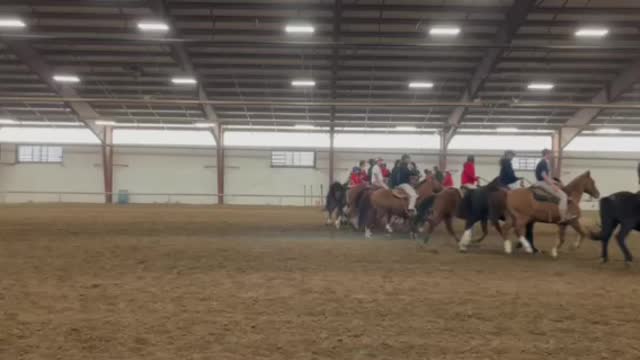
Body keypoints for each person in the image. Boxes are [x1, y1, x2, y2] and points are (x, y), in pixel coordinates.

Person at [535, 149, 571, 221]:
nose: (551, 156)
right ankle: (563, 217)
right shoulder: (543, 162)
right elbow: (544, 176)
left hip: (542, 182)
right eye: (550, 154)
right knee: (564, 196)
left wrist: (556, 182)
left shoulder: (544, 162)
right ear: (547, 154)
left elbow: (546, 177)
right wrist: (553, 185)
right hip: (542, 183)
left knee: (559, 188)